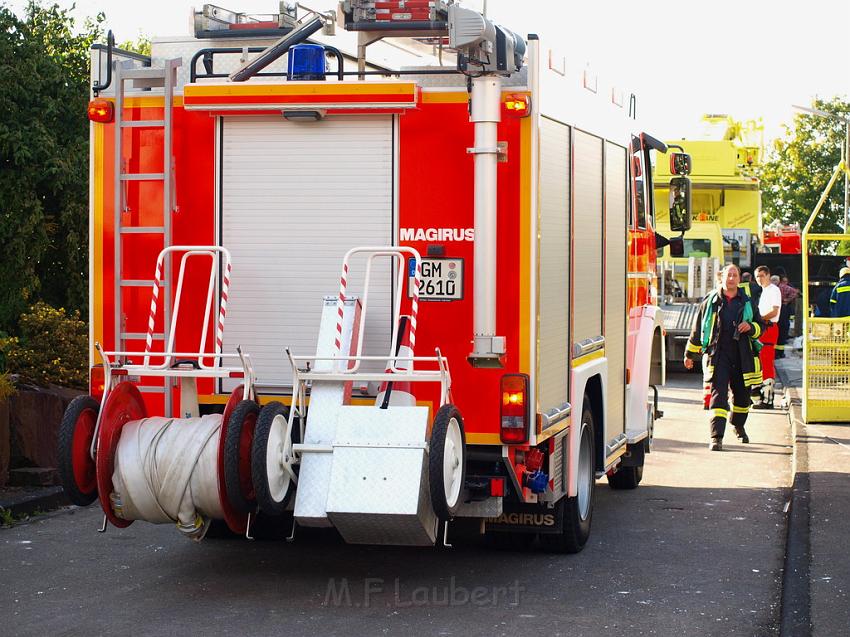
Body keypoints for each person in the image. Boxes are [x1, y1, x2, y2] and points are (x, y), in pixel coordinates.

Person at [684, 263, 765, 451]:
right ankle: (716, 437)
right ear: (721, 278)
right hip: (718, 354)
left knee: (743, 399)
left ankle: (738, 425)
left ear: (739, 279)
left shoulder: (747, 301)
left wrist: (751, 327)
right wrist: (690, 354)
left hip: (742, 356)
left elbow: (761, 326)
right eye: (729, 275)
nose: (732, 278)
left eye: (735, 275)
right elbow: (698, 328)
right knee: (718, 396)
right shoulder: (711, 301)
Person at [753, 266, 781, 409]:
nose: (759, 279)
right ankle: (762, 397)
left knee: (767, 363)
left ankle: (768, 400)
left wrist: (760, 318)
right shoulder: (764, 291)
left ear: (768, 275)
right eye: (757, 276)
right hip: (764, 328)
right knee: (761, 363)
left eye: (762, 276)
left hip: (768, 328)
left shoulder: (773, 290)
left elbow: (774, 311)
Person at [776, 272, 798, 359]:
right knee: (782, 332)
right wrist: (787, 300)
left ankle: (776, 353)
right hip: (783, 309)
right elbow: (795, 292)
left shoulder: (772, 288)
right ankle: (780, 353)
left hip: (775, 311)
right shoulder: (785, 287)